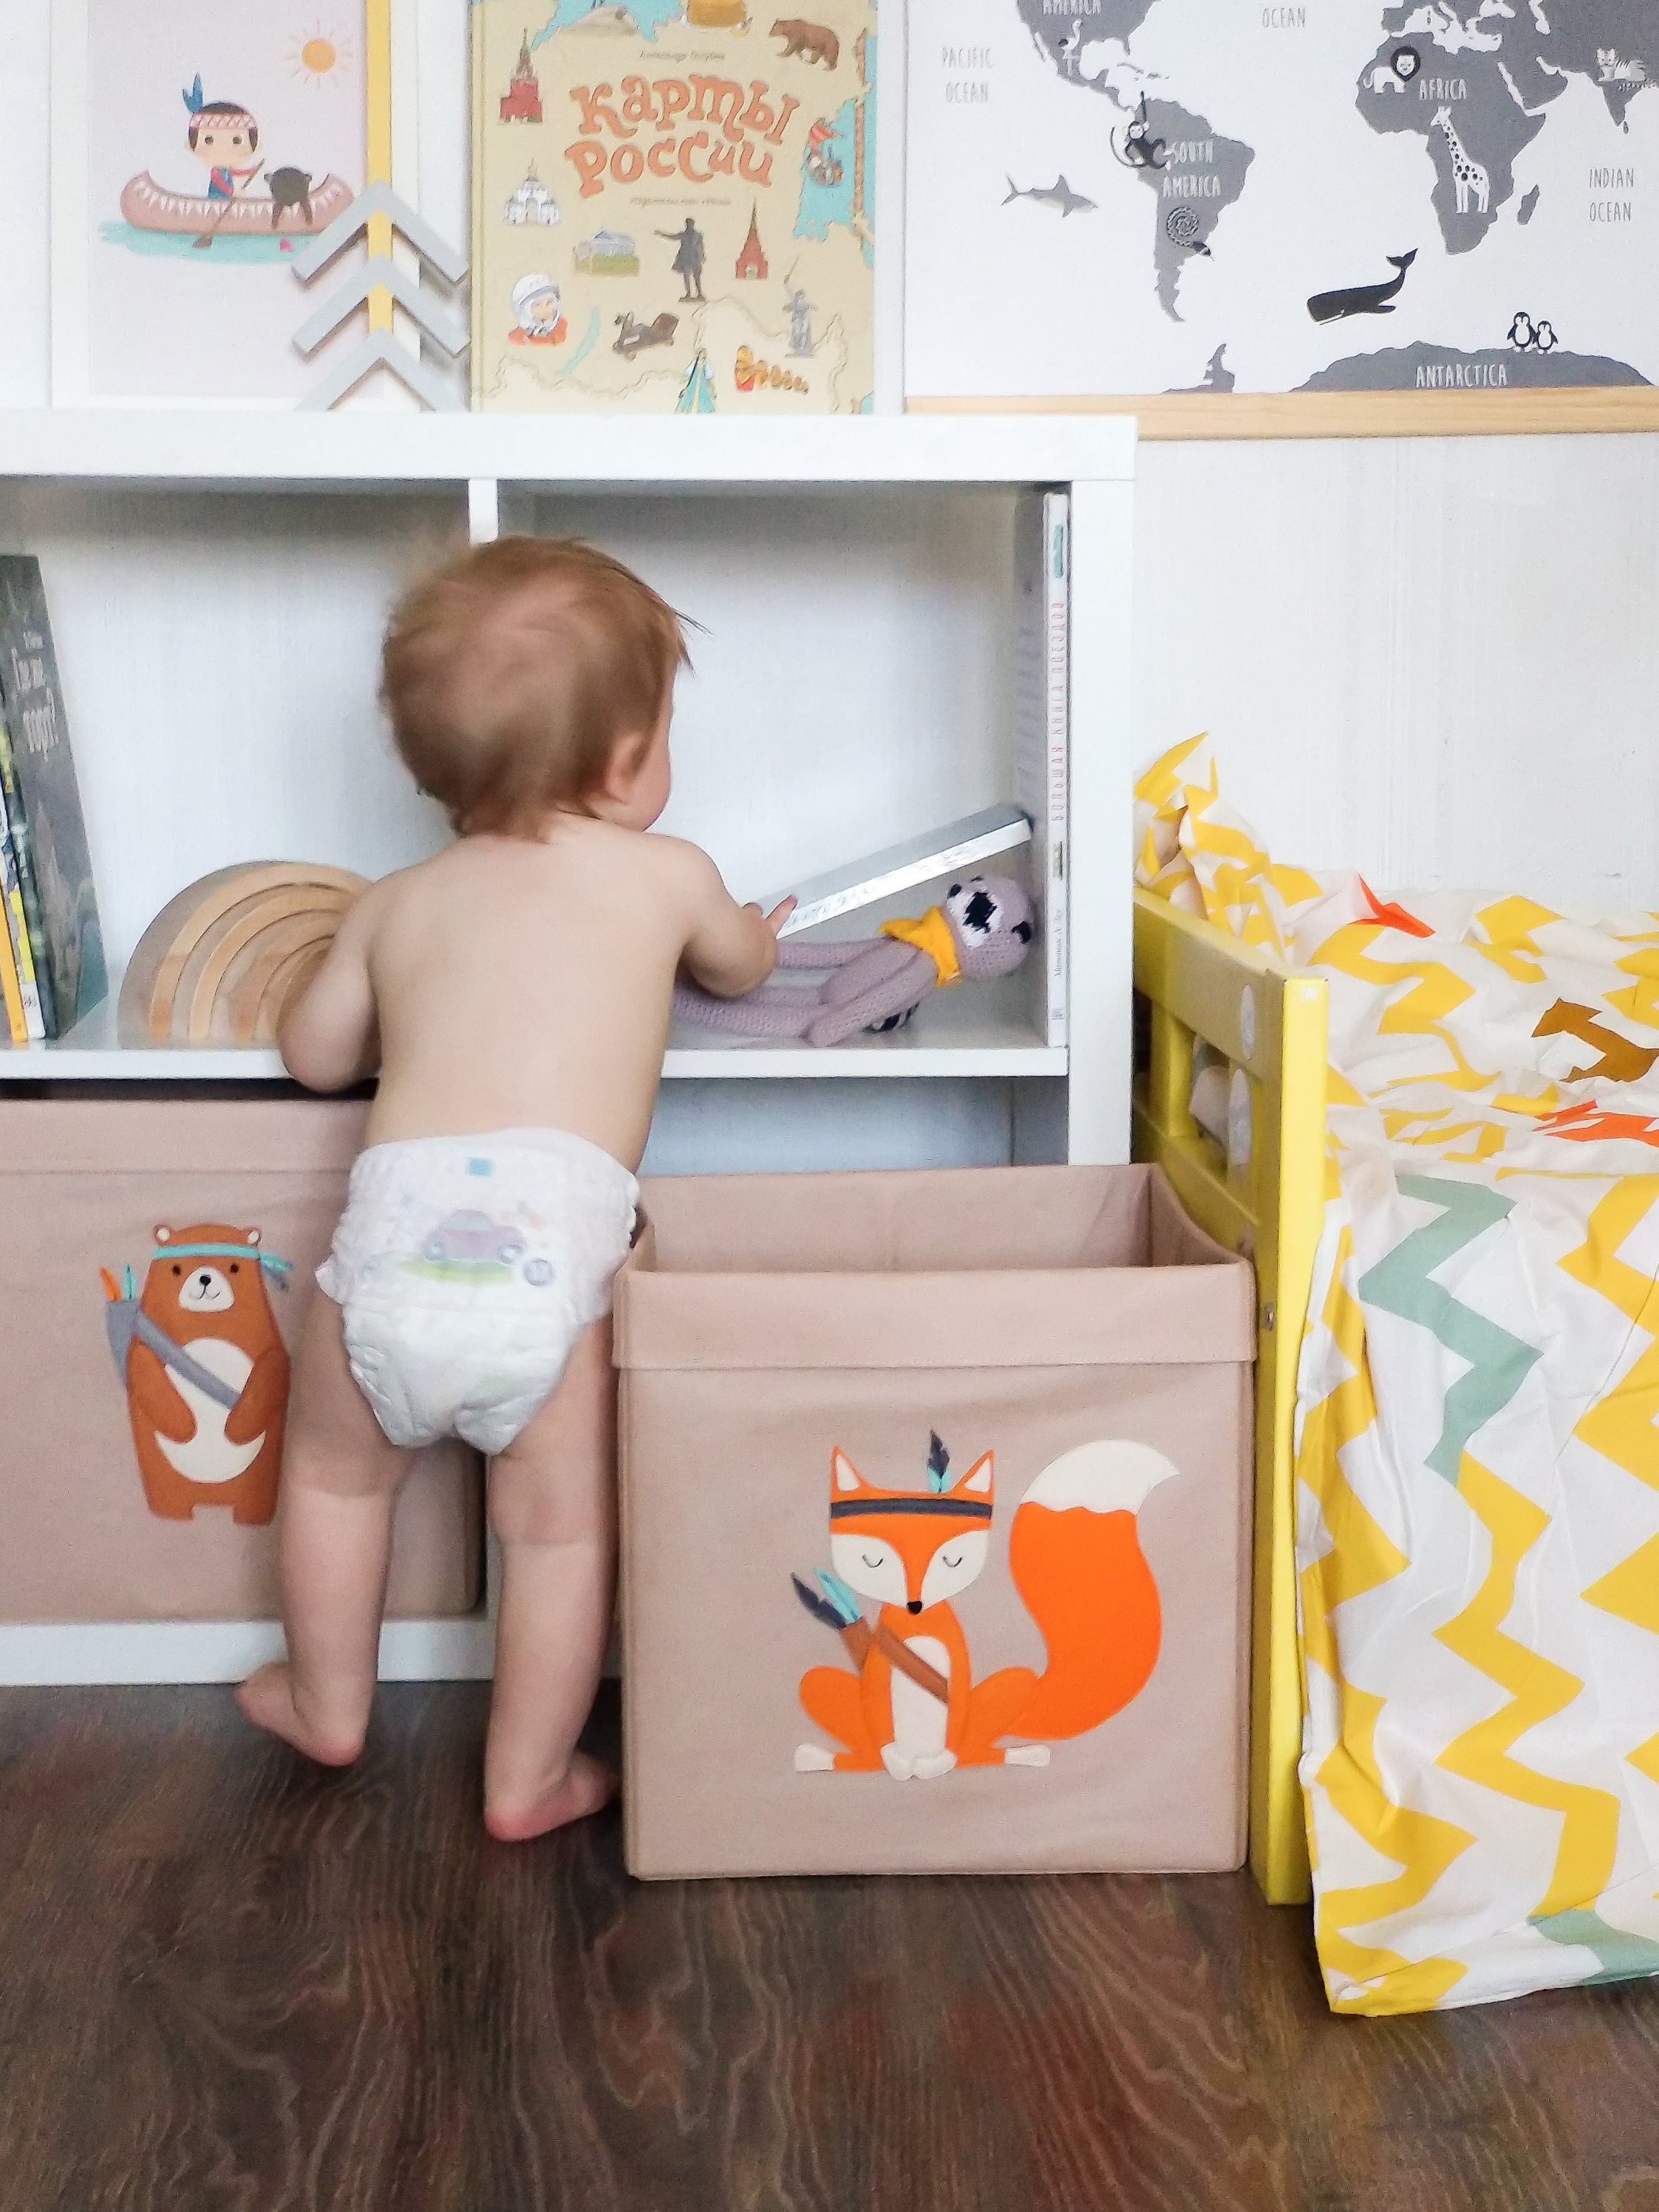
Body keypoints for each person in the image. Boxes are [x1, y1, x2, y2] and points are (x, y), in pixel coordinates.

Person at [237, 538, 793, 1840]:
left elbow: (315, 1059)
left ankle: (327, 1703)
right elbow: (742, 965)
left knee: (329, 1481)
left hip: (389, 1249)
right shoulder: (669, 876)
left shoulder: (396, 902)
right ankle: (526, 1779)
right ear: (623, 762)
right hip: (552, 1264)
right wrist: (757, 924)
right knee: (552, 1537)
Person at [656, 218, 706, 301]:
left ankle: (700, 294)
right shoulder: (684, 234)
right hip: (686, 259)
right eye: (688, 224)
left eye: (690, 224)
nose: (689, 226)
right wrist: (662, 234)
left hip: (695, 259)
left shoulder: (698, 235)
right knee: (686, 277)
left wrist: (702, 257)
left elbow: (701, 247)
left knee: (696, 277)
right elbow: (673, 237)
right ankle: (688, 294)